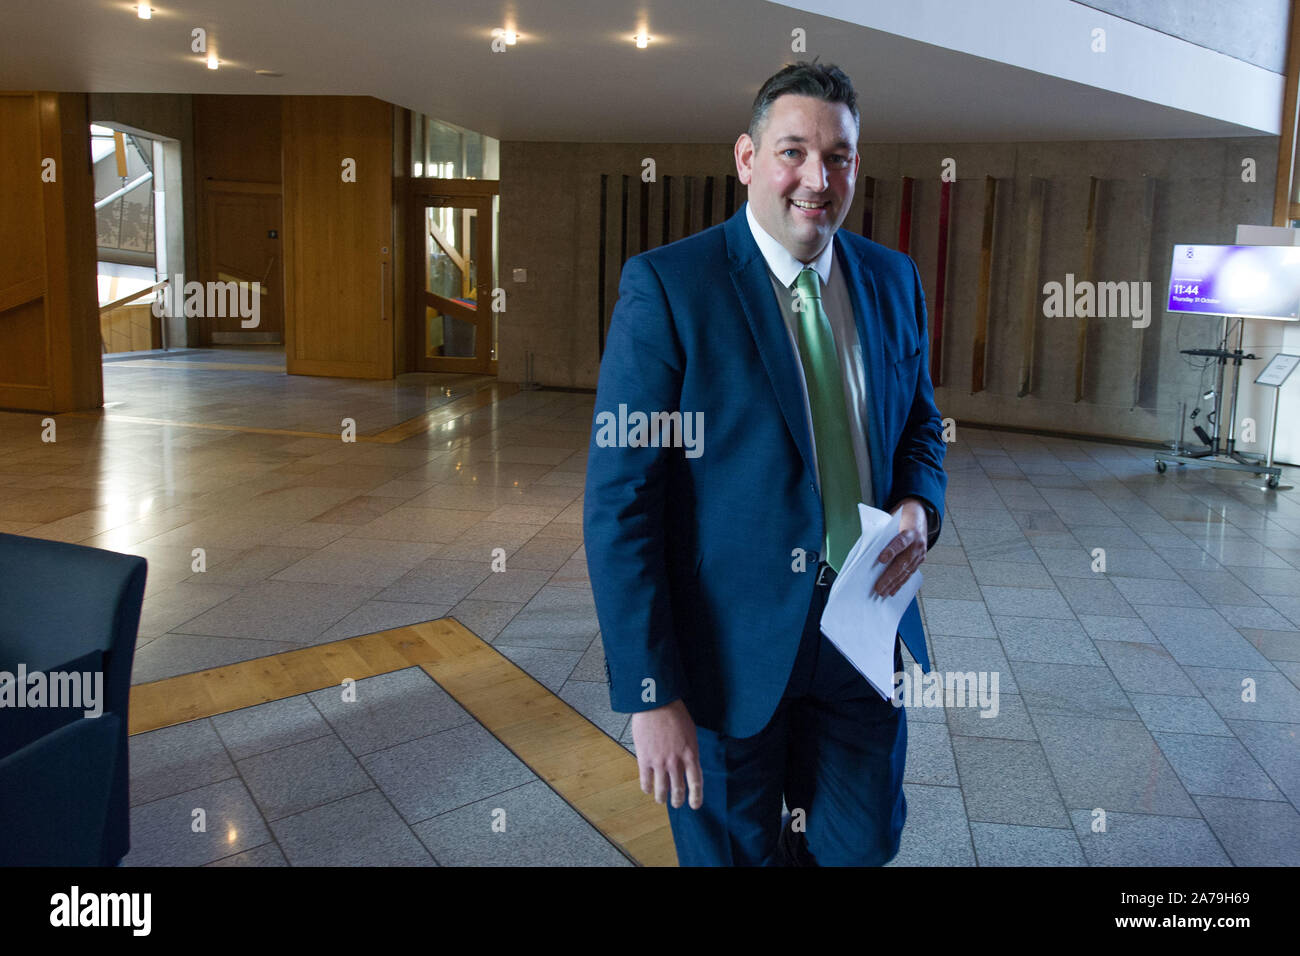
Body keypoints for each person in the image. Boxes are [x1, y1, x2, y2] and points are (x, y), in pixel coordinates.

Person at [582, 61, 947, 866]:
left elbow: (922, 426)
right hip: (725, 661)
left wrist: (919, 506)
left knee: (863, 846)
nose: (818, 179)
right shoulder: (672, 288)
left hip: (861, 636)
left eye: (839, 157)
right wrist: (653, 693)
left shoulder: (892, 280)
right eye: (793, 152)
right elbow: (620, 503)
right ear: (747, 159)